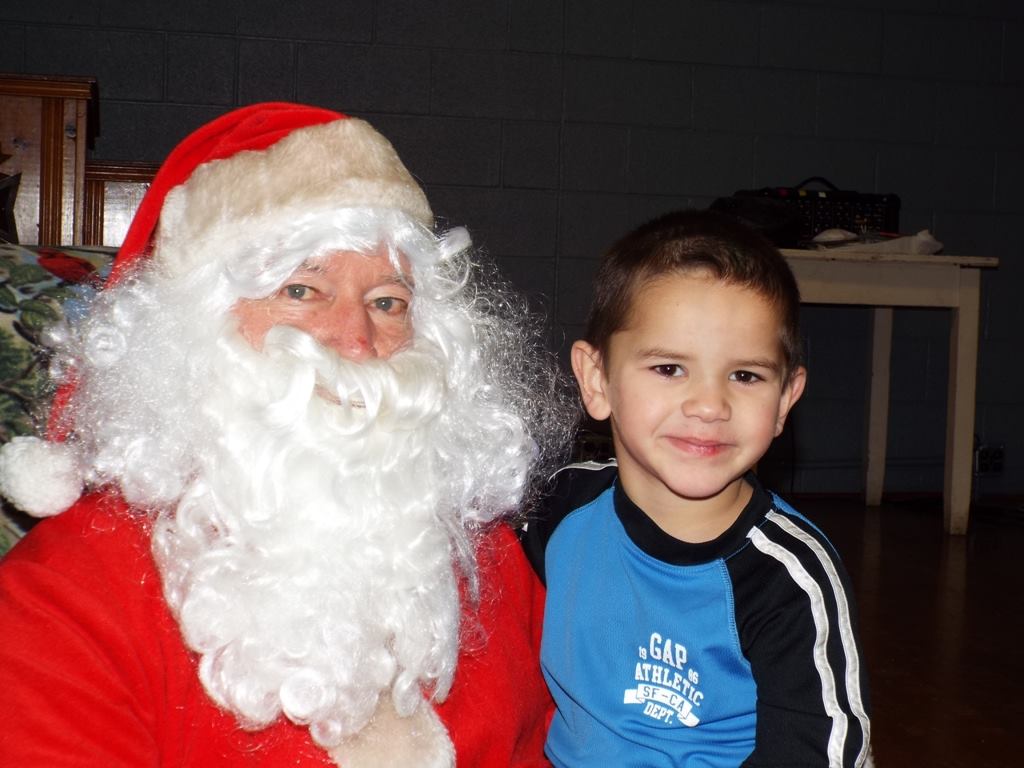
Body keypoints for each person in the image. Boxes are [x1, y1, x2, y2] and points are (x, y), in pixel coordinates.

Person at [0, 103, 575, 766]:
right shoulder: (67, 596)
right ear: (189, 332)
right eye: (302, 290)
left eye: (387, 302)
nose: (357, 341)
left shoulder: (486, 561)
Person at [521, 210, 873, 766]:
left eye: (745, 376)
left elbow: (823, 751)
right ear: (597, 380)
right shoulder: (557, 506)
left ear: (785, 400)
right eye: (669, 369)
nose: (709, 405)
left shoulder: (788, 577)